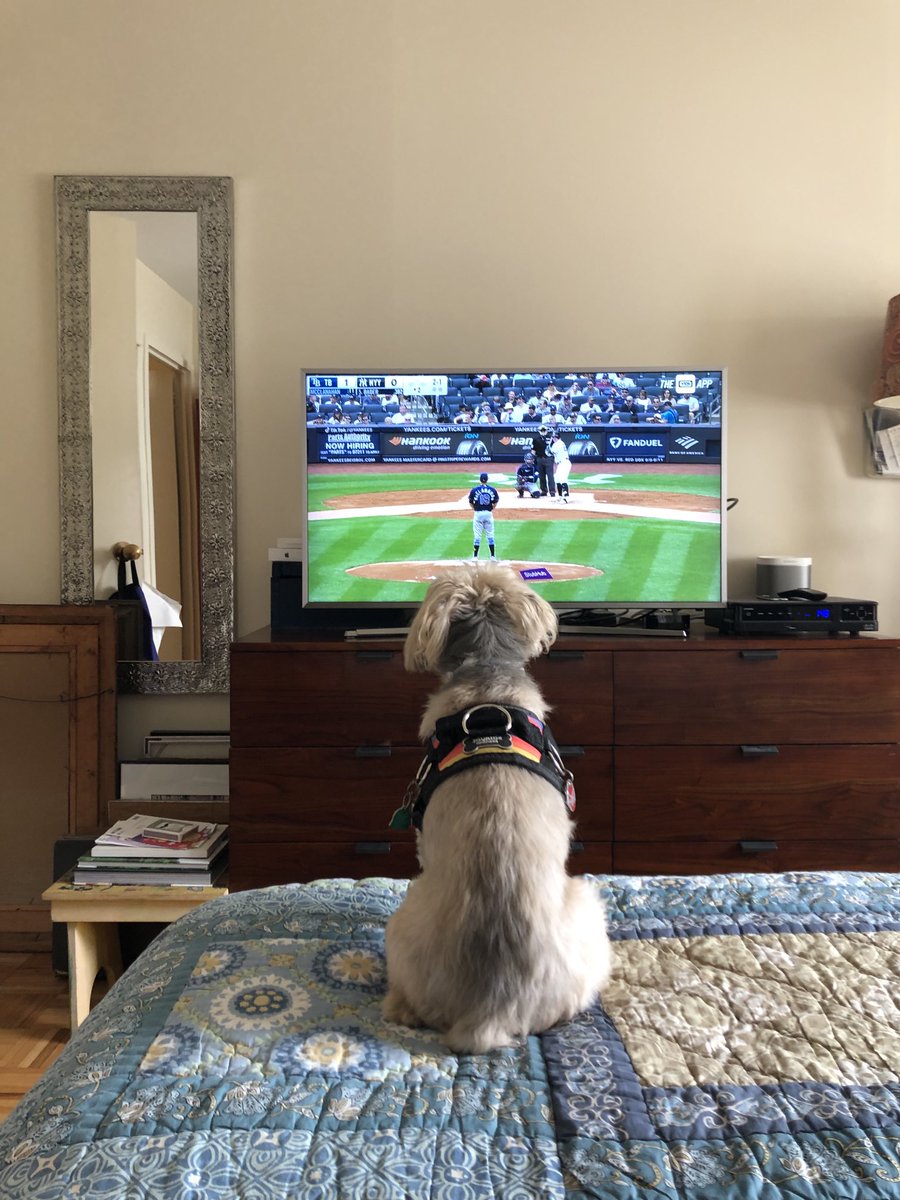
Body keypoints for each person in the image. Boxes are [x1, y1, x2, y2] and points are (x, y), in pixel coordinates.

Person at [468, 472, 499, 558]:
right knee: (490, 535)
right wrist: (491, 509)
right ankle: (493, 556)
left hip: (478, 513)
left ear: (480, 479)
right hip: (488, 513)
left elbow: (470, 502)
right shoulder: (492, 489)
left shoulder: (474, 490)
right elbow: (495, 502)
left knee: (477, 536)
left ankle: (475, 557)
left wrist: (475, 509)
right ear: (487, 479)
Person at [531, 426, 555, 496]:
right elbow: (533, 450)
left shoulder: (551, 438)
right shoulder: (535, 439)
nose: (543, 431)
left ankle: (552, 491)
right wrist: (533, 459)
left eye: (544, 430)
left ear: (547, 430)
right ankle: (544, 491)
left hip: (549, 458)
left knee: (550, 476)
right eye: (541, 430)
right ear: (539, 431)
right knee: (541, 476)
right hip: (539, 458)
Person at [549, 433, 571, 501]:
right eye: (553, 437)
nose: (554, 439)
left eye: (555, 437)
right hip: (561, 463)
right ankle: (560, 496)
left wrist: (549, 447)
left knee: (562, 479)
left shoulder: (557, 444)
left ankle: (566, 497)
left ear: (558, 438)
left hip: (564, 463)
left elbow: (550, 452)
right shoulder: (560, 443)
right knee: (557, 479)